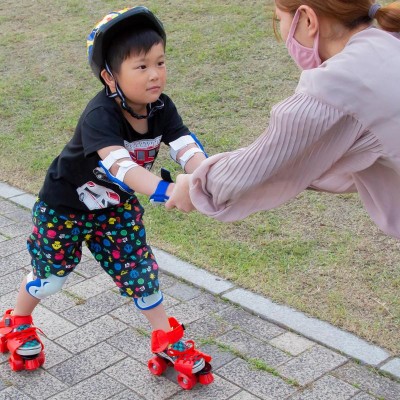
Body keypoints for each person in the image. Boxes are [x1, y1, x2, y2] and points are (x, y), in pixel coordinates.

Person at [0, 6, 213, 389]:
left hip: (115, 211)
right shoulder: (101, 114)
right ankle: (17, 320)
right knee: (50, 278)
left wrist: (208, 174)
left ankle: (165, 339)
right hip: (63, 208)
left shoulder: (162, 107)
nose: (155, 74)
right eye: (141, 66)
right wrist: (166, 191)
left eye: (160, 62)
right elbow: (122, 167)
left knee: (141, 273)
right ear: (109, 76)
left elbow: (185, 146)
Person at [166, 1, 400, 241]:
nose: (283, 32)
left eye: (280, 20)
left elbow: (263, 164)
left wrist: (197, 185)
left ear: (308, 19)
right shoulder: (388, 42)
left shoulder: (341, 81)